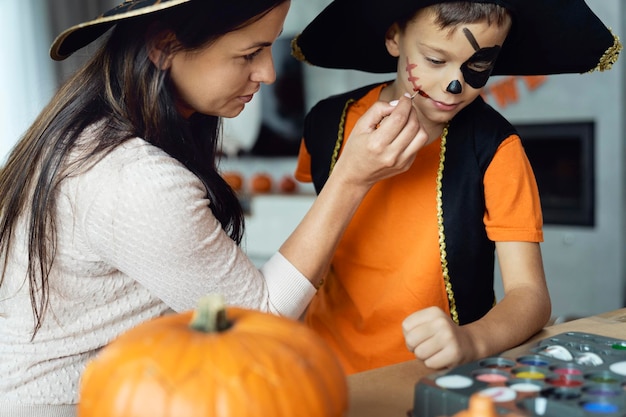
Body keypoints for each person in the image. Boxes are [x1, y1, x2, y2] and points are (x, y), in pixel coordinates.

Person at [0, 0, 428, 415]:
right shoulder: (134, 179)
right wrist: (351, 178)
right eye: (249, 53)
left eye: (270, 46)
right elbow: (256, 322)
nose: (269, 73)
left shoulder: (90, 136)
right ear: (164, 46)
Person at [291, 0, 622, 374]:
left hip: (435, 374)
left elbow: (529, 295)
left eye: (478, 66)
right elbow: (312, 248)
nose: (454, 84)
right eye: (435, 60)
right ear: (394, 38)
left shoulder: (497, 149)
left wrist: (471, 340)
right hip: (324, 363)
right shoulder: (325, 123)